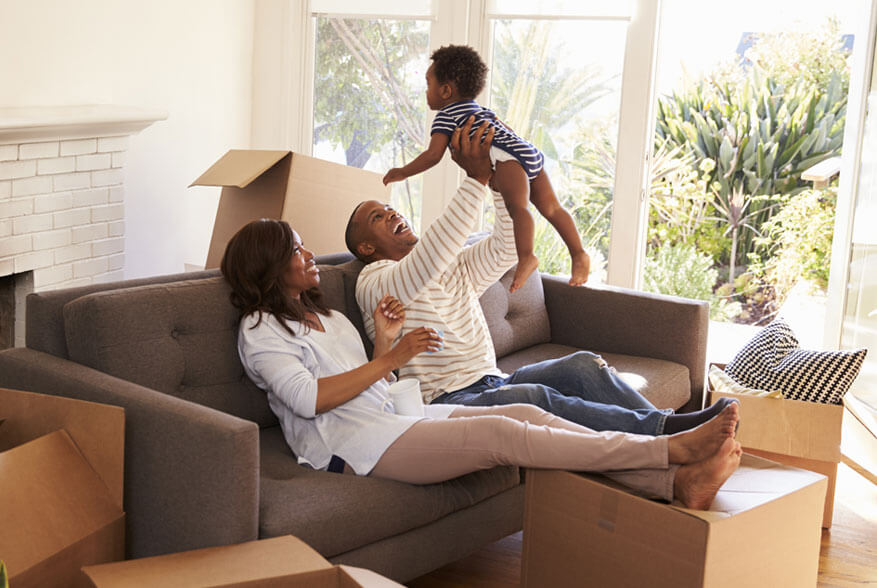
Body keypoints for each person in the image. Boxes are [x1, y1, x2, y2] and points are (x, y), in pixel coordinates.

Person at [221, 217, 742, 510]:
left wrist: (385, 343)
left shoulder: (328, 317)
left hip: (391, 420)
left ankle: (673, 484)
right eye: (295, 248)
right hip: (352, 446)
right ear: (268, 266)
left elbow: (373, 385)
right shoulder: (260, 331)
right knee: (502, 435)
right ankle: (664, 448)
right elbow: (311, 400)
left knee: (529, 417)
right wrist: (394, 357)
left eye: (305, 242)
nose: (309, 253)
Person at [350, 115, 736, 438]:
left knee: (583, 364)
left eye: (390, 208)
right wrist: (474, 179)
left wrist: (500, 186)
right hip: (446, 401)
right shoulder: (375, 280)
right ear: (366, 247)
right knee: (535, 397)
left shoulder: (451, 264)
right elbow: (424, 266)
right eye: (377, 218)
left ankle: (671, 429)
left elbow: (504, 248)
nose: (393, 214)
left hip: (491, 380)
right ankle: (668, 433)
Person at [382, 44, 589, 292]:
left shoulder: (446, 116)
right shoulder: (482, 110)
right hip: (526, 150)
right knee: (553, 208)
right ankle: (578, 254)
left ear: (446, 90)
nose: (426, 91)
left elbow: (433, 155)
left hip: (505, 158)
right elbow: (505, 130)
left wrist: (403, 172)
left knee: (518, 207)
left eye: (428, 84)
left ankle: (527, 257)